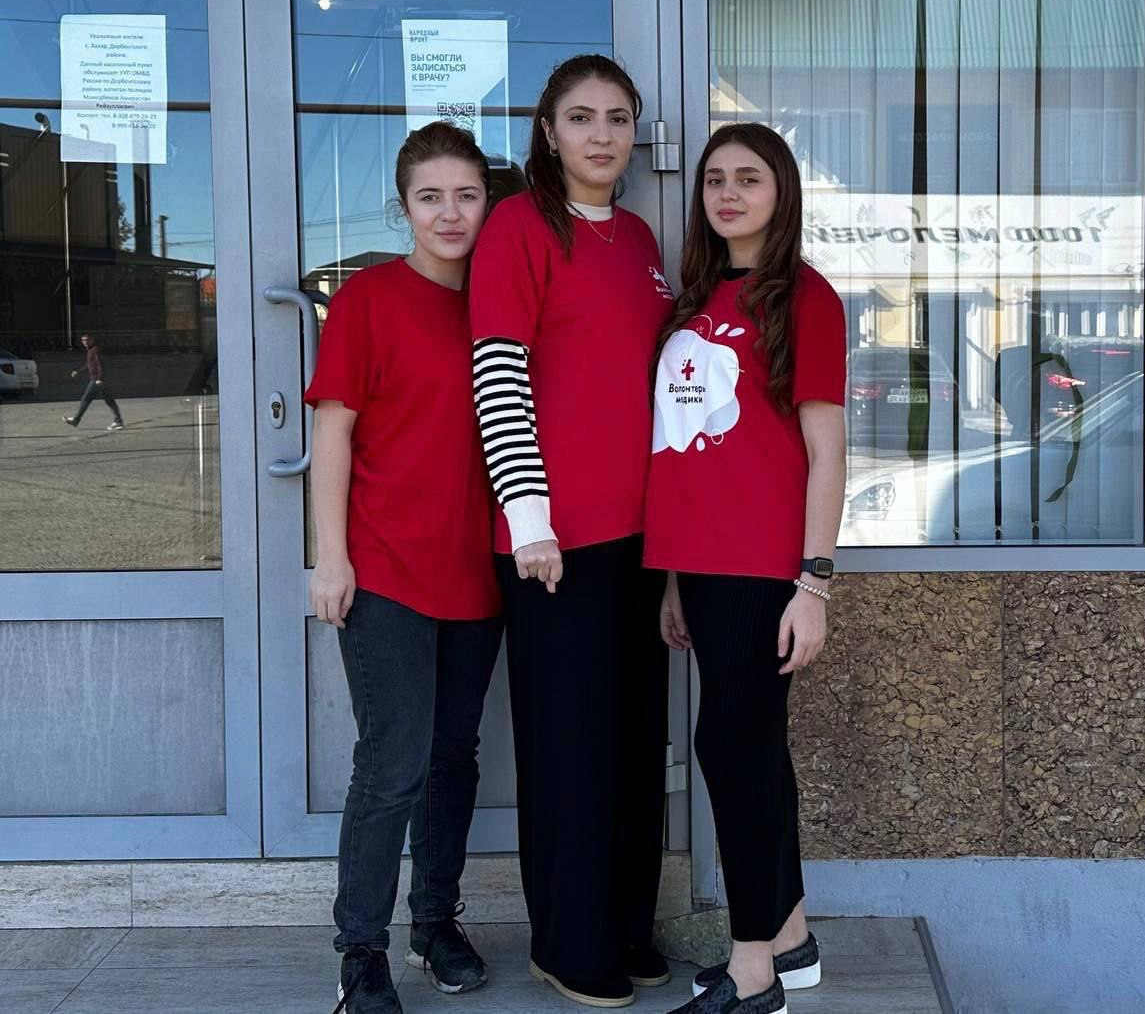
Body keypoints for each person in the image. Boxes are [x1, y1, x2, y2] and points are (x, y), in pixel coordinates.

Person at [469, 54, 675, 1009]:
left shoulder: (640, 240)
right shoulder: (519, 227)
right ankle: (568, 940)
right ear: (548, 132)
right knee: (569, 750)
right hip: (553, 545)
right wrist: (529, 520)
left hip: (641, 539)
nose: (602, 134)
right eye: (582, 117)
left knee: (634, 744)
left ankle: (628, 926)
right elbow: (498, 373)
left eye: (618, 118)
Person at [644, 124, 847, 1014]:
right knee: (754, 749)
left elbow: (827, 451)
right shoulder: (694, 297)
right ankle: (791, 935)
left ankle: (754, 967)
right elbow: (685, 445)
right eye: (715, 179)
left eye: (749, 178)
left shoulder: (805, 296)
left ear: (781, 191)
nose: (728, 193)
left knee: (731, 746)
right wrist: (674, 576)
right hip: (702, 564)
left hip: (765, 566)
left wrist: (814, 582)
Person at [306, 122, 504, 1014]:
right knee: (394, 763)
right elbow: (333, 431)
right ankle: (361, 952)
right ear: (404, 208)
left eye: (466, 195)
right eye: (431, 197)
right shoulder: (369, 299)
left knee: (453, 756)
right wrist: (331, 556)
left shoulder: (500, 303)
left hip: (477, 572)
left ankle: (435, 922)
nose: (450, 213)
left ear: (487, 202)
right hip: (384, 568)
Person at [63, 334, 124, 430]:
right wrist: (78, 371)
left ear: (92, 340)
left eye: (87, 340)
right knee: (109, 400)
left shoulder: (95, 350)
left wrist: (100, 378)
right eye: (83, 340)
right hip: (102, 380)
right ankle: (118, 421)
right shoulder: (90, 350)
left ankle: (76, 419)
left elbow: (100, 364)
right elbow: (89, 364)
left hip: (97, 380)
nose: (85, 342)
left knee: (86, 399)